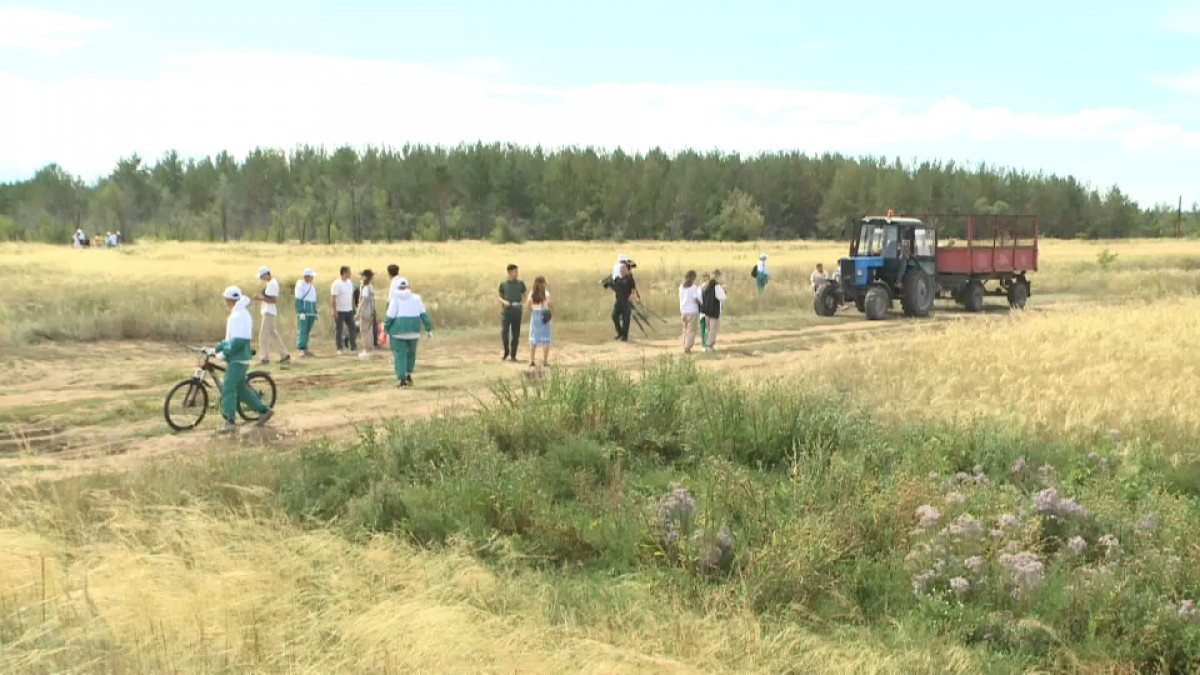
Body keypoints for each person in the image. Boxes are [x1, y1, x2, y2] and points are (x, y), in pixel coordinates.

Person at [213, 286, 272, 434]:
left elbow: (236, 342)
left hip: (238, 359)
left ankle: (229, 421)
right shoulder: (241, 313)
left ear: (230, 300)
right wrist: (222, 350)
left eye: (227, 299)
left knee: (228, 387)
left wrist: (221, 347)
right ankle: (264, 411)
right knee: (241, 390)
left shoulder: (239, 316)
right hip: (240, 357)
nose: (226, 302)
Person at [385, 276, 433, 388]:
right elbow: (424, 315)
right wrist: (428, 329)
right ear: (408, 287)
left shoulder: (395, 298)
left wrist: (386, 328)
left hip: (398, 331)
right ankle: (408, 374)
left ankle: (402, 381)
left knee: (399, 354)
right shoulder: (417, 298)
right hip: (414, 330)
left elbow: (390, 316)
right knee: (411, 353)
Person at [254, 266, 290, 366]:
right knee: (272, 333)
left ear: (266, 274)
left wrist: (261, 299)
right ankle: (284, 354)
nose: (261, 278)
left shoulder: (272, 284)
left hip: (268, 311)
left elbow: (274, 300)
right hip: (268, 311)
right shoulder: (270, 283)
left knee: (263, 335)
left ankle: (264, 358)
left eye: (262, 276)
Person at [498, 263, 526, 362]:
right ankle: (506, 351)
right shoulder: (503, 284)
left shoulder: (521, 284)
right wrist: (504, 302)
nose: (516, 273)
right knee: (504, 332)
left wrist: (521, 303)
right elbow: (500, 297)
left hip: (517, 311)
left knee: (516, 334)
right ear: (509, 272)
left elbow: (524, 296)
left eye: (517, 271)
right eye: (515, 272)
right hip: (506, 311)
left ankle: (513, 355)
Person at [525, 275, 553, 368]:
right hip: (544, 315)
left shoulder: (532, 293)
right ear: (543, 283)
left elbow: (528, 305)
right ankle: (545, 361)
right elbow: (549, 303)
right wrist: (545, 305)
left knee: (533, 338)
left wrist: (533, 309)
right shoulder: (546, 292)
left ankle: (532, 360)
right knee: (545, 338)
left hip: (535, 315)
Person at [610, 261, 640, 341]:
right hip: (618, 301)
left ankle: (624, 336)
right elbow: (615, 289)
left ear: (627, 270)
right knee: (614, 316)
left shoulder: (630, 279)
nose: (622, 270)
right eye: (620, 269)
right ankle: (620, 333)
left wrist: (632, 297)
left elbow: (633, 290)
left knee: (626, 320)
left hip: (626, 302)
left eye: (623, 269)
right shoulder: (617, 279)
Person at [331, 266, 356, 356]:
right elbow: (334, 298)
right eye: (349, 272)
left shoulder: (350, 283)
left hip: (348, 310)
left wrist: (353, 307)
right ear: (344, 273)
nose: (350, 274)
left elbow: (351, 296)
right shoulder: (337, 284)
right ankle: (339, 347)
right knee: (339, 329)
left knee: (352, 327)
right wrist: (334, 311)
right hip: (340, 310)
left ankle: (353, 345)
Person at [294, 269, 318, 357]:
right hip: (304, 312)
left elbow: (314, 300)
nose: (312, 278)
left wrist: (315, 312)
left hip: (311, 312)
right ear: (306, 277)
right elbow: (298, 299)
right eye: (311, 276)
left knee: (307, 331)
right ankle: (301, 349)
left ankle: (305, 348)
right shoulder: (300, 286)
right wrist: (300, 311)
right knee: (302, 330)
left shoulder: (312, 287)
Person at [701, 270, 726, 352]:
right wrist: (724, 291)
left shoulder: (705, 285)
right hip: (714, 311)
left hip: (707, 310)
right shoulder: (717, 286)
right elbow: (722, 297)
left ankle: (706, 344)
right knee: (713, 329)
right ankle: (709, 345)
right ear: (717, 276)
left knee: (708, 328)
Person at [679, 270, 702, 354]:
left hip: (683, 311)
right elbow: (696, 299)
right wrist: (701, 304)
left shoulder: (681, 287)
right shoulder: (694, 287)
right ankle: (687, 347)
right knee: (691, 330)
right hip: (692, 311)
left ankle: (684, 344)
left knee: (685, 329)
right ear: (693, 278)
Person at [356, 269, 377, 358]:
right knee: (369, 331)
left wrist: (357, 312)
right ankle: (369, 349)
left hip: (365, 312)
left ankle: (367, 350)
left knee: (364, 331)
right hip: (371, 311)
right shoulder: (370, 287)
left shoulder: (366, 288)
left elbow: (363, 301)